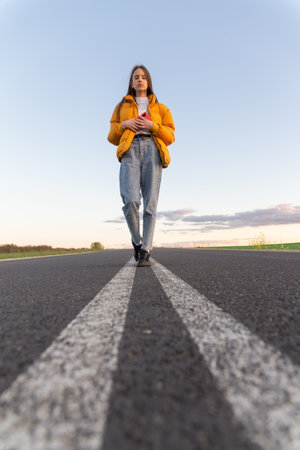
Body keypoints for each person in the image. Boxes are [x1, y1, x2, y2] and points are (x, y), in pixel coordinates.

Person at [107, 65, 175, 267]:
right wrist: (123, 125)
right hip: (130, 150)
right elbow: (111, 136)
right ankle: (137, 241)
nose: (140, 80)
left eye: (144, 77)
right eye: (136, 77)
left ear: (148, 82)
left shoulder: (161, 109)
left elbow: (170, 136)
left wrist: (152, 126)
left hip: (153, 149)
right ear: (131, 82)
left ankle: (145, 250)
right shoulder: (121, 107)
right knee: (130, 200)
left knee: (150, 203)